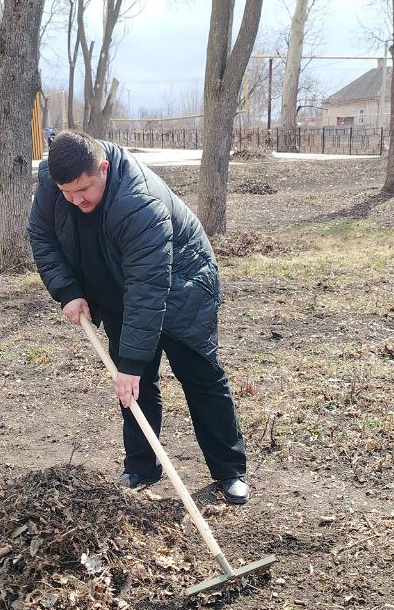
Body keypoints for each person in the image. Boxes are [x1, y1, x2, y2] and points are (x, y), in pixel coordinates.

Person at [28, 130, 249, 504]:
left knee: (200, 376)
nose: (75, 199)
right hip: (116, 291)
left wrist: (130, 362)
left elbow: (148, 288)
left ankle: (230, 471)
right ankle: (141, 467)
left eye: (83, 189)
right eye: (67, 192)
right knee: (135, 388)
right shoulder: (55, 180)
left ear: (103, 168)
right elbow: (41, 236)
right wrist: (67, 291)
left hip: (182, 287)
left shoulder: (139, 202)